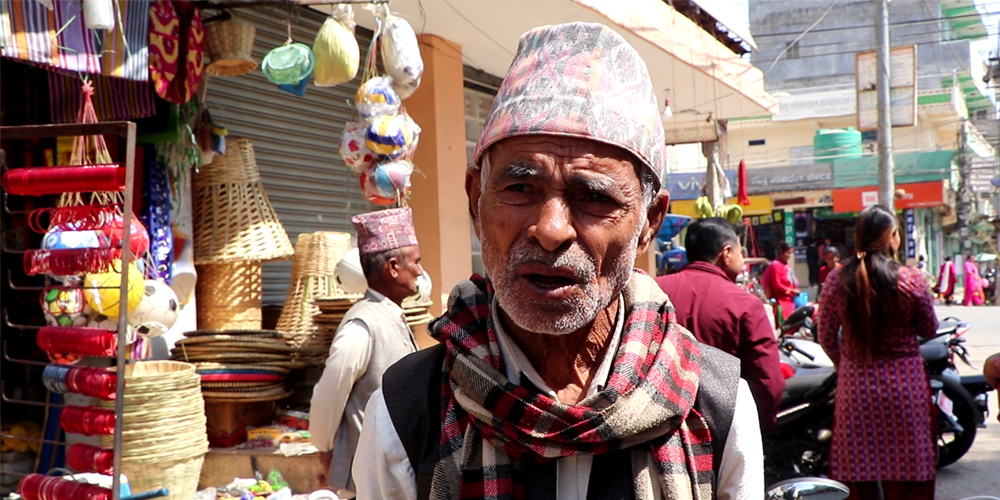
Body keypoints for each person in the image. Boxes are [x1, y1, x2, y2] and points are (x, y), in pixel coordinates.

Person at [354, 22, 763, 500]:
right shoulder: (406, 411)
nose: (551, 230)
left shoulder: (717, 403)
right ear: (474, 199)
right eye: (520, 187)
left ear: (650, 221)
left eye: (593, 196)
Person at [817, 205, 937, 500]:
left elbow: (826, 335)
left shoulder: (837, 279)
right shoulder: (911, 279)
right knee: (909, 472)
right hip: (905, 389)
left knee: (858, 475)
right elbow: (930, 328)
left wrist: (845, 363)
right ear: (891, 238)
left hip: (856, 390)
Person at [309, 208, 422, 497]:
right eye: (416, 262)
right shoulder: (362, 324)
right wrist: (324, 447)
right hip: (366, 482)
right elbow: (329, 392)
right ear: (393, 267)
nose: (420, 271)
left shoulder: (391, 316)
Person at [656, 218, 784, 434]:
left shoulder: (656, 291)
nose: (742, 259)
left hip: (659, 428)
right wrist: (758, 431)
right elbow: (768, 382)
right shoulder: (745, 304)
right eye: (740, 252)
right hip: (723, 431)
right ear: (726, 253)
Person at [761, 241, 801, 321]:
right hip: (781, 302)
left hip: (789, 301)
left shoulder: (786, 265)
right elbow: (776, 284)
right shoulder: (776, 265)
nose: (789, 256)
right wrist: (791, 290)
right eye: (788, 253)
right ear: (781, 252)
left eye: (791, 253)